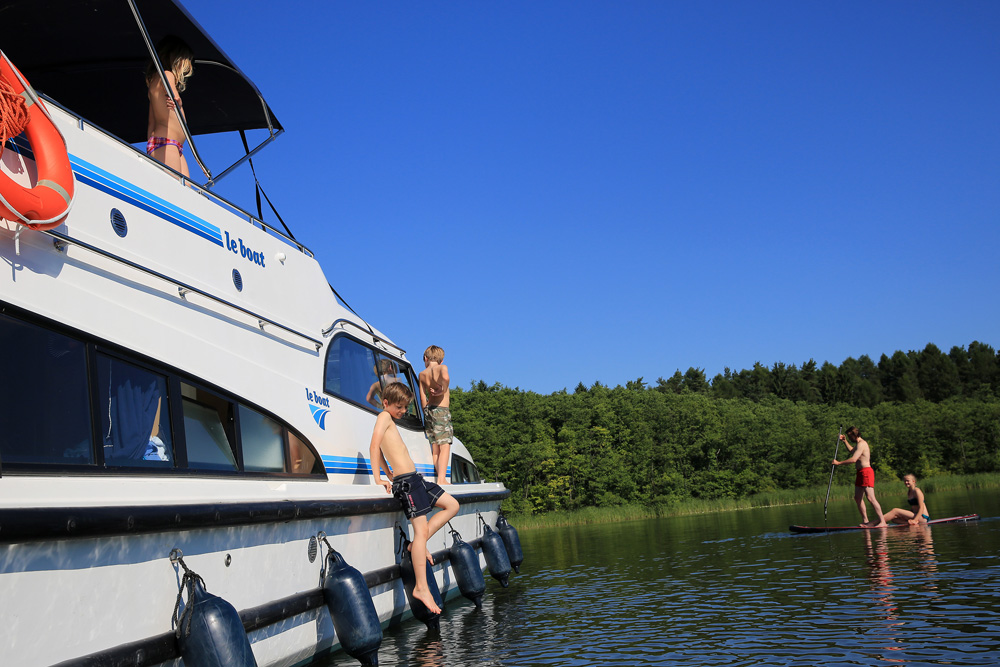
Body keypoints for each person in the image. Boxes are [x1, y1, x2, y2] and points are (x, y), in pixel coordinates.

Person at [370, 381, 459, 615]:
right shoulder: (383, 417)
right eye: (399, 407)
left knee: (451, 505)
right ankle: (421, 588)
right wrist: (379, 478)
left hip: (415, 479)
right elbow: (374, 446)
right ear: (386, 403)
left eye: (405, 408)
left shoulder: (390, 419)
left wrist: (389, 471)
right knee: (420, 533)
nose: (403, 412)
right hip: (407, 484)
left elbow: (383, 450)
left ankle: (417, 547)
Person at [145, 36, 194, 178]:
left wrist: (150, 145)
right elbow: (174, 94)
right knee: (176, 187)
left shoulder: (154, 82)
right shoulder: (167, 74)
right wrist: (177, 100)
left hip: (170, 143)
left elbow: (151, 121)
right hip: (167, 142)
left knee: (185, 189)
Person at [832, 426, 887, 528]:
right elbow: (853, 451)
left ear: (854, 435)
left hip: (866, 472)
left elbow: (853, 459)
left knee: (870, 498)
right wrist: (844, 442)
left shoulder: (862, 444)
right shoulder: (858, 445)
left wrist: (839, 463)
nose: (849, 438)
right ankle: (865, 521)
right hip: (860, 472)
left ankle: (882, 521)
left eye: (849, 436)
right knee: (857, 498)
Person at [419, 345, 453, 485]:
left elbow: (422, 397)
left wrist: (425, 411)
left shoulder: (422, 374)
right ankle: (441, 479)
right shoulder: (441, 368)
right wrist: (442, 390)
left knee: (435, 447)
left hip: (429, 410)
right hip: (441, 411)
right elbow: (445, 377)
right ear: (442, 360)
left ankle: (438, 476)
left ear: (426, 358)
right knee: (445, 445)